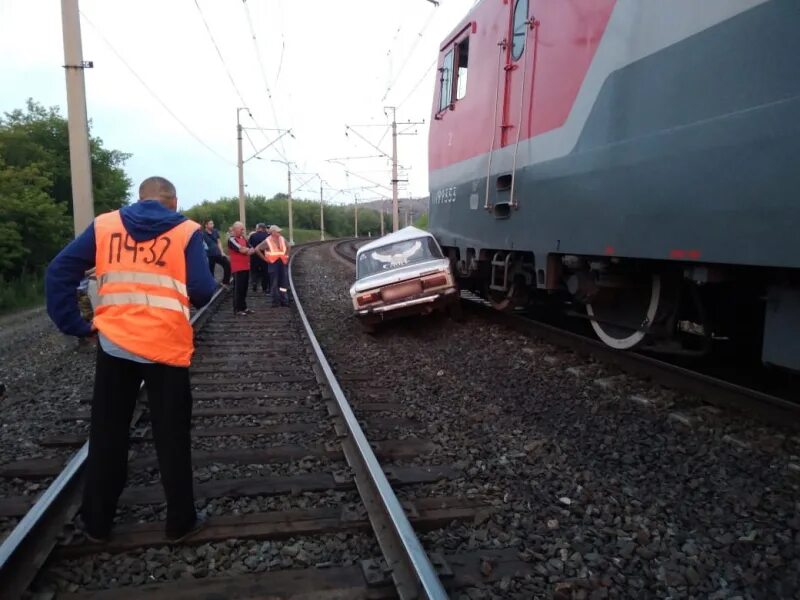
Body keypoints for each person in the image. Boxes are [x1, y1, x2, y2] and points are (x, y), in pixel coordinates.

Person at [45, 176, 217, 543]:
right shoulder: (187, 231)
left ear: (139, 199)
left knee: (108, 433)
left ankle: (97, 523)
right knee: (171, 436)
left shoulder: (106, 225)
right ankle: (180, 522)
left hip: (115, 345)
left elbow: (59, 271)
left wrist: (76, 325)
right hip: (165, 349)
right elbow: (202, 290)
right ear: (173, 201)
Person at [256, 225, 290, 307]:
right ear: (273, 232)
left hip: (282, 262)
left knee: (283, 283)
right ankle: (275, 301)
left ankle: (284, 300)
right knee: (274, 283)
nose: (279, 232)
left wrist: (287, 256)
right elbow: (257, 249)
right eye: (278, 231)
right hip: (273, 263)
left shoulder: (282, 239)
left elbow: (288, 246)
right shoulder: (268, 241)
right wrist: (265, 259)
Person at [228, 221, 254, 315]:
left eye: (243, 228)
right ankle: (237, 309)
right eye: (241, 229)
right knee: (238, 289)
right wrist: (247, 250)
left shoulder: (243, 238)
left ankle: (244, 307)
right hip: (238, 268)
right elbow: (242, 250)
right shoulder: (232, 239)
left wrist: (247, 250)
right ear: (235, 229)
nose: (243, 230)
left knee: (244, 288)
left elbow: (251, 249)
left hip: (245, 267)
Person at [202, 219, 230, 286]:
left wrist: (222, 252)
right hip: (209, 255)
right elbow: (202, 245)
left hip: (217, 253)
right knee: (210, 271)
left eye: (213, 223)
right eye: (211, 224)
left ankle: (225, 282)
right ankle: (211, 285)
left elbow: (219, 242)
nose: (212, 225)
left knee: (227, 264)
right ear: (206, 225)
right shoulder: (202, 234)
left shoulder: (215, 231)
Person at [248, 223, 269, 293]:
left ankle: (254, 283)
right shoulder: (268, 236)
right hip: (264, 256)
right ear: (264, 228)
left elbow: (249, 245)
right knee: (265, 272)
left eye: (256, 228)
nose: (256, 229)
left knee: (254, 271)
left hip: (254, 256)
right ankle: (264, 287)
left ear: (259, 228)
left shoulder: (253, 236)